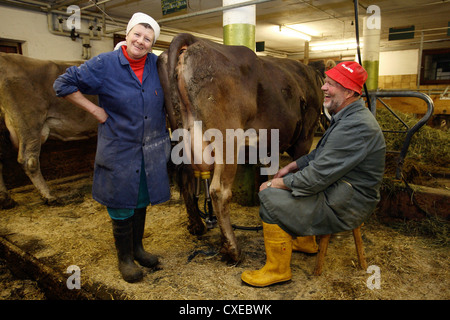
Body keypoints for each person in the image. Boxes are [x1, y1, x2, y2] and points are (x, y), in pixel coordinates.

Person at [241, 61, 386, 287]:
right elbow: (321, 154)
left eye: (331, 84)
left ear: (349, 92)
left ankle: (277, 270)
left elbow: (315, 178)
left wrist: (276, 184)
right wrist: (292, 166)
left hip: (347, 203)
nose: (323, 88)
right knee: (285, 187)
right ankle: (306, 243)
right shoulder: (348, 116)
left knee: (269, 197)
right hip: (341, 190)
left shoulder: (355, 125)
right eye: (325, 82)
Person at [53, 12, 171, 283]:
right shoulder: (105, 64)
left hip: (149, 149)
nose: (141, 42)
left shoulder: (157, 65)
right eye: (137, 35)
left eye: (148, 39)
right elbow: (62, 84)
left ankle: (138, 249)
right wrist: (95, 109)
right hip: (119, 149)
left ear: (153, 44)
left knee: (141, 200)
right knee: (121, 203)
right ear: (127, 34)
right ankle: (125, 258)